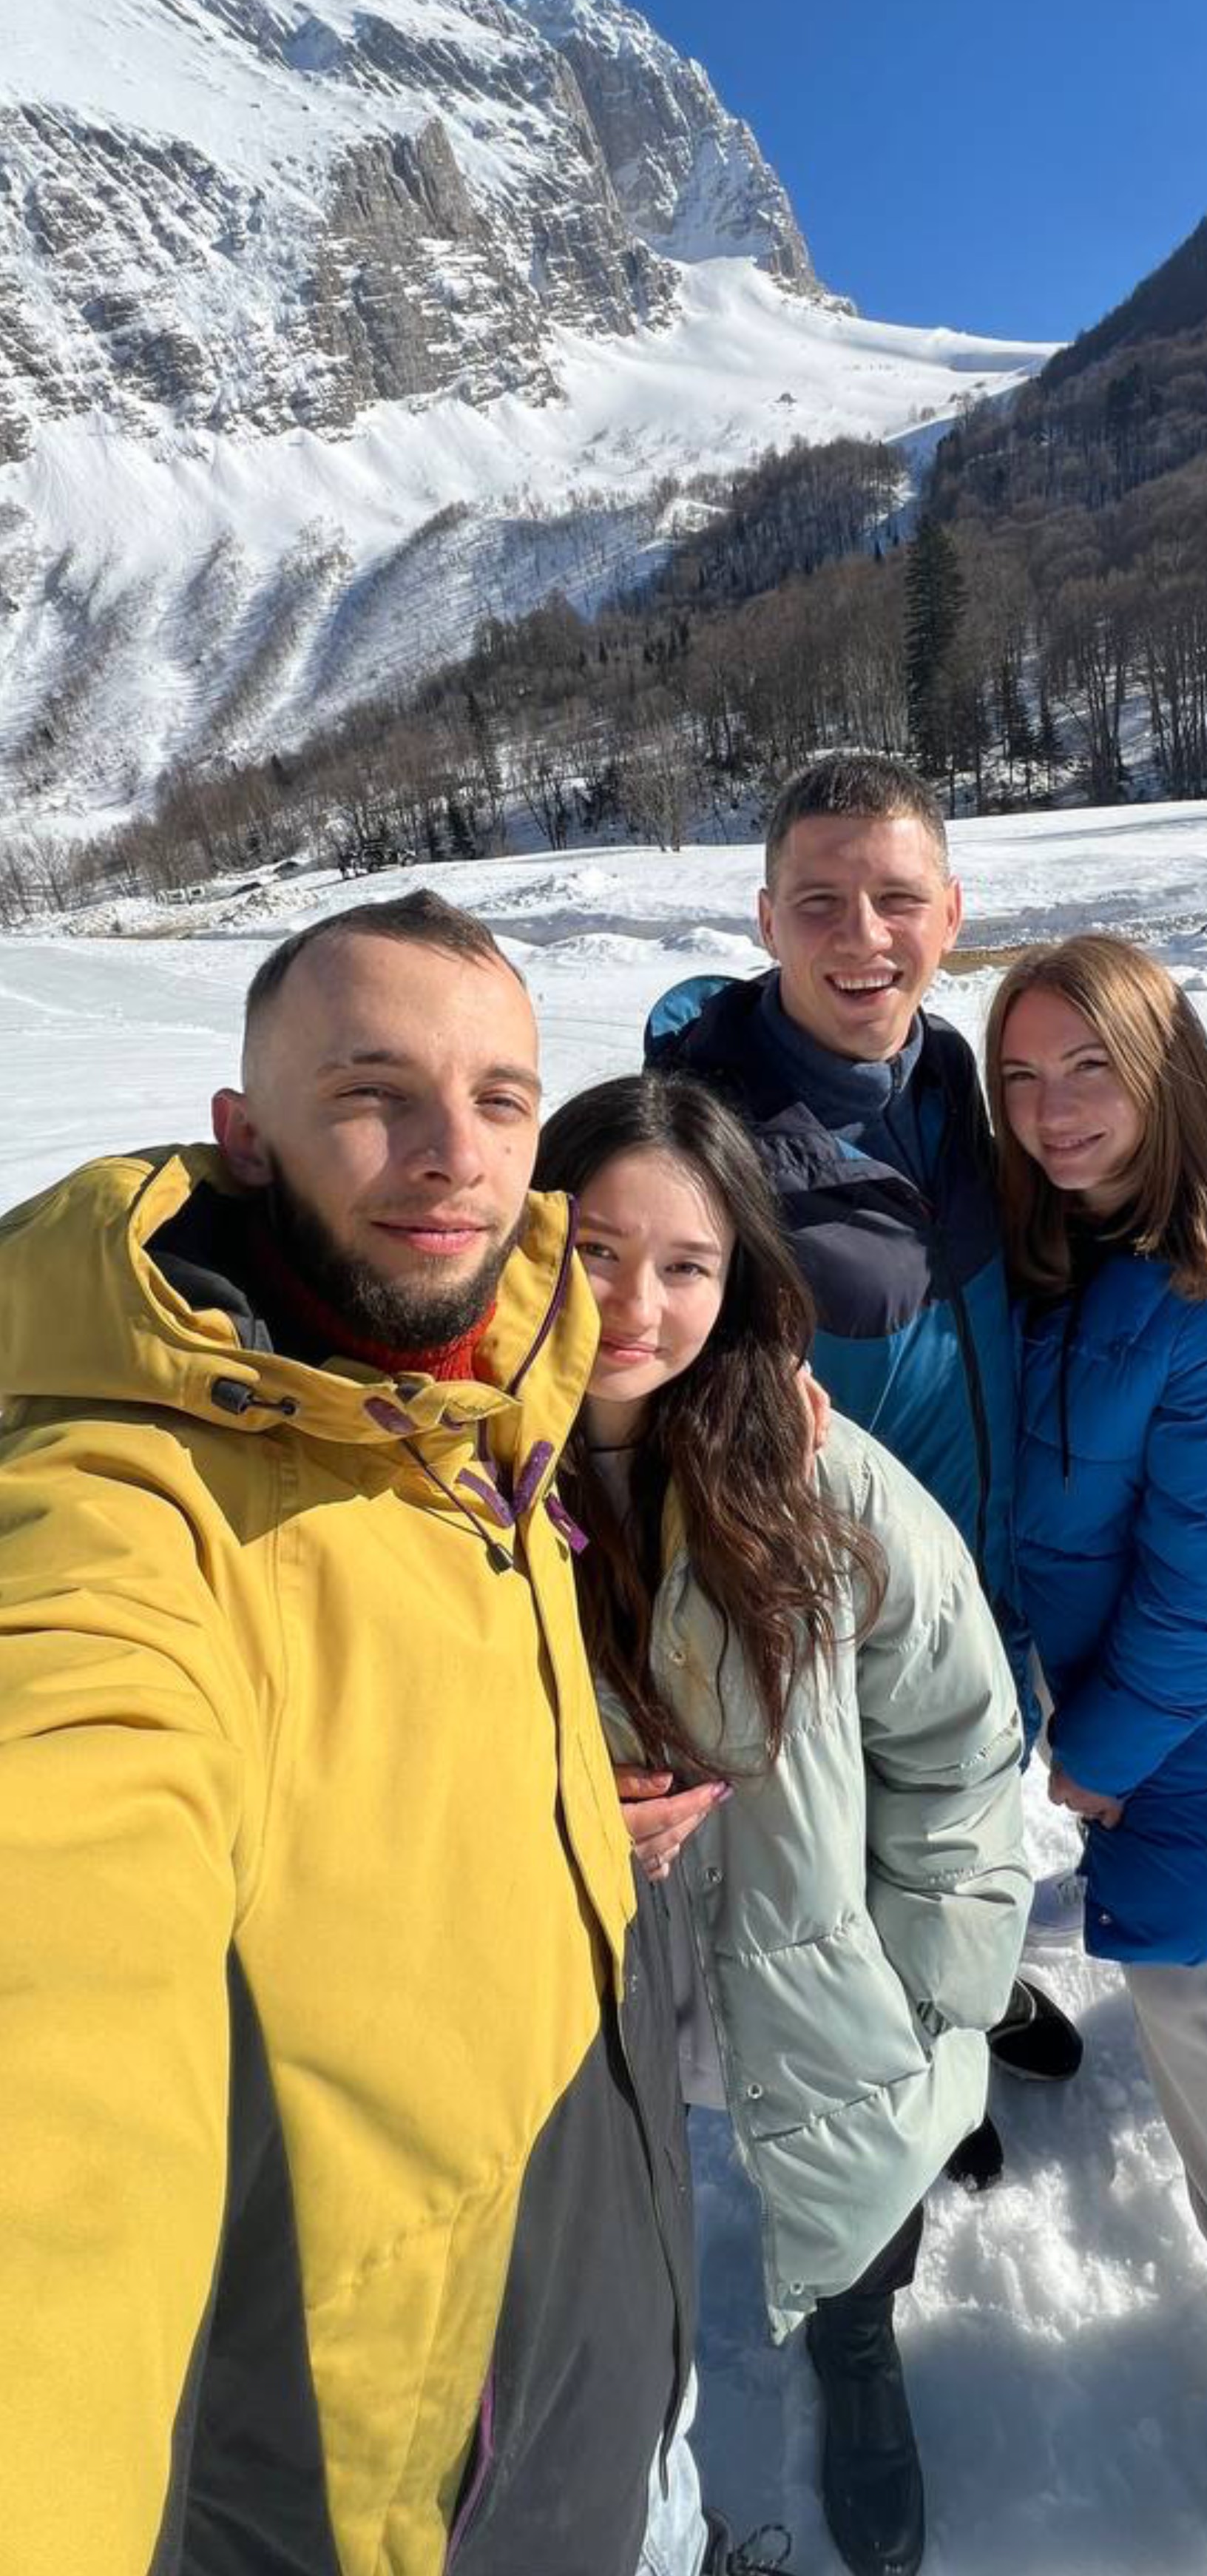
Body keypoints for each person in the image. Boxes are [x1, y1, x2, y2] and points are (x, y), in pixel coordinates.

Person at [0, 891, 692, 2575]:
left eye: (501, 1100)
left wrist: (541, 1804)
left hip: (583, 2322)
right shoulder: (122, 1513)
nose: (455, 1156)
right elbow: (55, 2008)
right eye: (376, 1094)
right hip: (376, 2492)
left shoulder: (485, 1397)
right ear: (246, 1137)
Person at [532, 1070, 1030, 2576]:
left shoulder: (819, 1484)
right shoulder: (454, 1489)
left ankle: (859, 2344)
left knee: (860, 2154)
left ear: (739, 1279)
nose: (636, 1306)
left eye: (687, 1265)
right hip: (576, 1970)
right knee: (599, 2239)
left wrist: (931, 1990)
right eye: (595, 1251)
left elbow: (954, 1737)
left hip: (808, 1951)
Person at [644, 752, 1081, 2131]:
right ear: (764, 919)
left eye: (895, 899)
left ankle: (964, 1992)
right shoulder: (696, 1145)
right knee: (851, 1876)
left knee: (963, 1829)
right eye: (820, 903)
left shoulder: (951, 1074)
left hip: (981, 1573)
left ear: (951, 913)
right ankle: (899, 2090)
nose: (862, 937)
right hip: (830, 1616)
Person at [990, 935, 1207, 2559]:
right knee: (1121, 1907)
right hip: (1056, 1659)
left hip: (1172, 1694)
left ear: (1163, 1069)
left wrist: (1109, 1750)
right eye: (1020, 1075)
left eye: (1089, 1069)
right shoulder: (1044, 1237)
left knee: (1183, 1979)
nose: (1053, 1110)